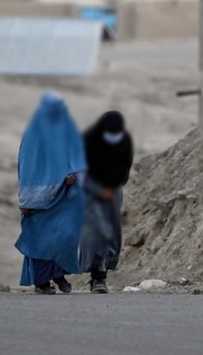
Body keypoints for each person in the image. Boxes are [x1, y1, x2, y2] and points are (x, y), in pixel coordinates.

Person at [15, 92, 87, 295]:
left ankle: (58, 273)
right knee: (40, 238)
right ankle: (42, 282)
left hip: (65, 196)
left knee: (65, 235)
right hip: (39, 197)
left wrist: (73, 174)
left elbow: (77, 159)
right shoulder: (33, 134)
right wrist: (27, 199)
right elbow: (28, 167)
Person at [79, 111, 133, 294]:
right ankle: (94, 273)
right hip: (91, 193)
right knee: (94, 232)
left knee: (109, 232)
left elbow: (125, 167)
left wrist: (114, 185)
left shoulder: (124, 141)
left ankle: (101, 276)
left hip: (113, 192)